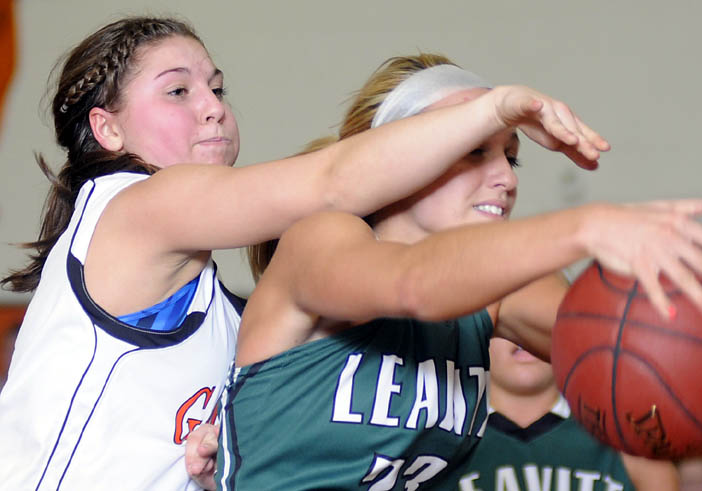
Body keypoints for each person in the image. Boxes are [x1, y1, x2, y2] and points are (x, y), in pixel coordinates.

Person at [0, 18, 611, 490]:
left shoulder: (226, 315)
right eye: (178, 91)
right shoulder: (129, 205)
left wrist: (221, 455)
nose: (212, 104)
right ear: (109, 131)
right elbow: (332, 184)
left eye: (216, 87)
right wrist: (497, 108)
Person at [214, 53, 702, 490]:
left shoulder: (497, 292)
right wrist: (587, 224)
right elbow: (414, 284)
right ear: (400, 158)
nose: (505, 179)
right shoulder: (319, 238)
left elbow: (636, 357)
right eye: (474, 152)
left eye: (510, 157)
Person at [453, 335, 680, 490]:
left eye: (533, 316)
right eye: (512, 319)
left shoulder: (629, 441)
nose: (521, 334)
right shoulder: (436, 440)